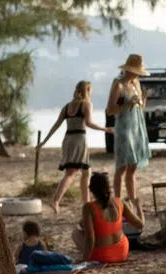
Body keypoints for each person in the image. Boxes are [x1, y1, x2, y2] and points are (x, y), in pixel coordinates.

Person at [39, 81, 114, 213]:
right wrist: (105, 129)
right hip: (79, 139)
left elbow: (56, 125)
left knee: (86, 171)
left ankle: (87, 204)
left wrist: (44, 142)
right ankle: (55, 200)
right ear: (88, 91)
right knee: (71, 173)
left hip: (68, 139)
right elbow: (89, 123)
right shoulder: (86, 104)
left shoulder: (67, 106)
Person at [107, 54, 151, 202]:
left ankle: (133, 199)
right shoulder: (118, 85)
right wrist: (127, 104)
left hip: (137, 127)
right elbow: (110, 110)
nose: (138, 74)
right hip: (124, 128)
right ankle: (118, 201)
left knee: (133, 166)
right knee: (122, 167)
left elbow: (140, 108)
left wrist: (143, 98)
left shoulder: (136, 84)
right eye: (137, 71)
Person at [76, 172, 144, 264]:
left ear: (91, 190)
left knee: (75, 233)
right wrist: (139, 207)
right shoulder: (120, 202)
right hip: (122, 251)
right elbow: (140, 224)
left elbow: (90, 239)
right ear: (109, 188)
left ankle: (87, 255)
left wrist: (84, 260)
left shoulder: (88, 208)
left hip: (102, 256)